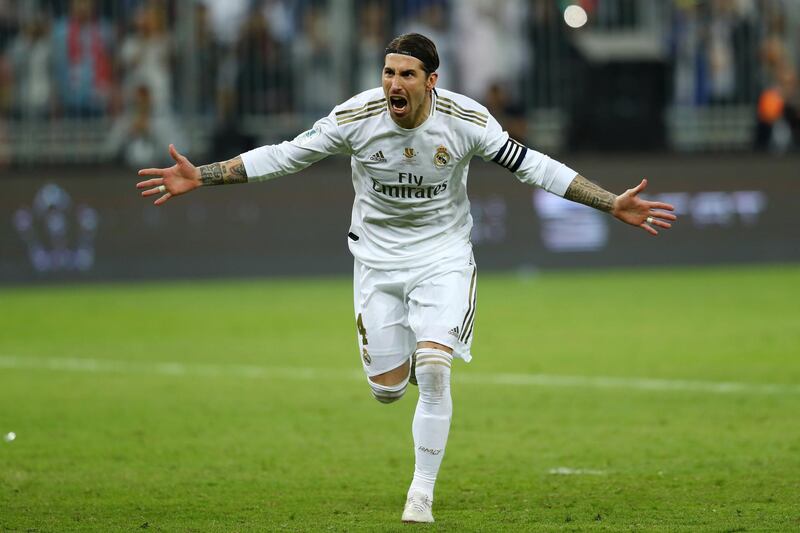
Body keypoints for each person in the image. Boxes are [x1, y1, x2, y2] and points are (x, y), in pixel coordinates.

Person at [136, 33, 676, 524]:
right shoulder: (357, 117)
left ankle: (421, 493)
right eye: (389, 73)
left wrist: (610, 203)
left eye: (407, 75)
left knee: (437, 368)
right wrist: (203, 176)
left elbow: (534, 165)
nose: (394, 83)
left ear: (431, 82)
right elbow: (286, 156)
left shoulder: (466, 121)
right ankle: (412, 367)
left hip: (443, 258)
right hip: (376, 261)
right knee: (387, 391)